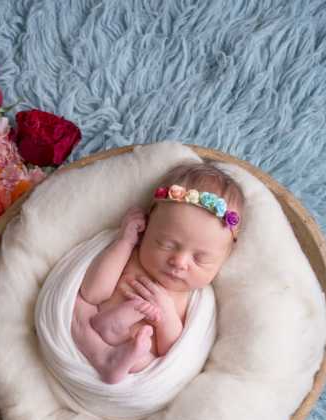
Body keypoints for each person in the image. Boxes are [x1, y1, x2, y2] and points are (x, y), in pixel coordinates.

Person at [70, 163, 245, 384]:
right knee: (76, 306)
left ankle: (118, 352)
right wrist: (124, 242)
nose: (179, 262)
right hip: (92, 329)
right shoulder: (131, 256)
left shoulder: (189, 298)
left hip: (135, 363)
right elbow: (92, 292)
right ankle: (108, 337)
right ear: (147, 227)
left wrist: (167, 315)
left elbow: (172, 352)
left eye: (200, 259)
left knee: (146, 359)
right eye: (166, 244)